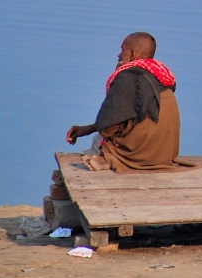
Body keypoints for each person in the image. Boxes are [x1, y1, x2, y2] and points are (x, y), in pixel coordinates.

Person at [66, 32, 183, 173]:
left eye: (122, 49)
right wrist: (87, 129)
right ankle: (107, 158)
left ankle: (109, 159)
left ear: (133, 54)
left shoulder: (129, 77)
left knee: (100, 138)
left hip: (140, 155)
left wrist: (119, 76)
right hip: (165, 155)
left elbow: (107, 128)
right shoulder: (160, 75)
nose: (119, 55)